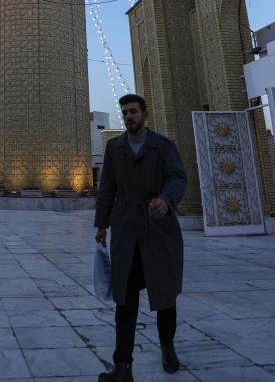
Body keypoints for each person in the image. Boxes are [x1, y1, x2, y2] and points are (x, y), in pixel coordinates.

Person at [94, 94, 187, 381]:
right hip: (126, 230)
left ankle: (167, 347)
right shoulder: (115, 148)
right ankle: (122, 365)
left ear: (145, 115)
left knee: (164, 294)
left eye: (133, 112)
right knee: (125, 298)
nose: (128, 117)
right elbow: (107, 187)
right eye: (124, 113)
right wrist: (102, 224)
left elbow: (178, 178)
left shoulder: (163, 146)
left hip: (158, 228)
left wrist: (166, 200)